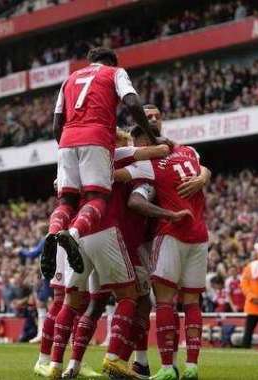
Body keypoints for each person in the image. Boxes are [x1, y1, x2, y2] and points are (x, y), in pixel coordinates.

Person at [46, 137, 171, 380]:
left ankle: (57, 364)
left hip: (77, 233)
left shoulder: (74, 162)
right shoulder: (113, 154)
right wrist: (167, 148)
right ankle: (114, 358)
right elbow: (159, 150)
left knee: (73, 303)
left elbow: (58, 185)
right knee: (129, 296)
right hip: (107, 233)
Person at [40, 47, 154, 282]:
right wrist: (150, 134)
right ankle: (73, 233)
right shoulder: (114, 73)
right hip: (96, 137)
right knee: (97, 198)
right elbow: (132, 102)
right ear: (111, 62)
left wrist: (67, 148)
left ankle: (53, 233)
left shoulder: (68, 80)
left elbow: (55, 125)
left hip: (66, 141)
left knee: (67, 200)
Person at [118, 125, 209, 380]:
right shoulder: (189, 152)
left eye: (138, 144)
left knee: (165, 301)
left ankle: (168, 367)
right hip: (200, 235)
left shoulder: (149, 163)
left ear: (147, 142)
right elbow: (204, 169)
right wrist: (203, 176)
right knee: (192, 303)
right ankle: (192, 367)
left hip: (171, 232)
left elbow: (119, 178)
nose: (137, 150)